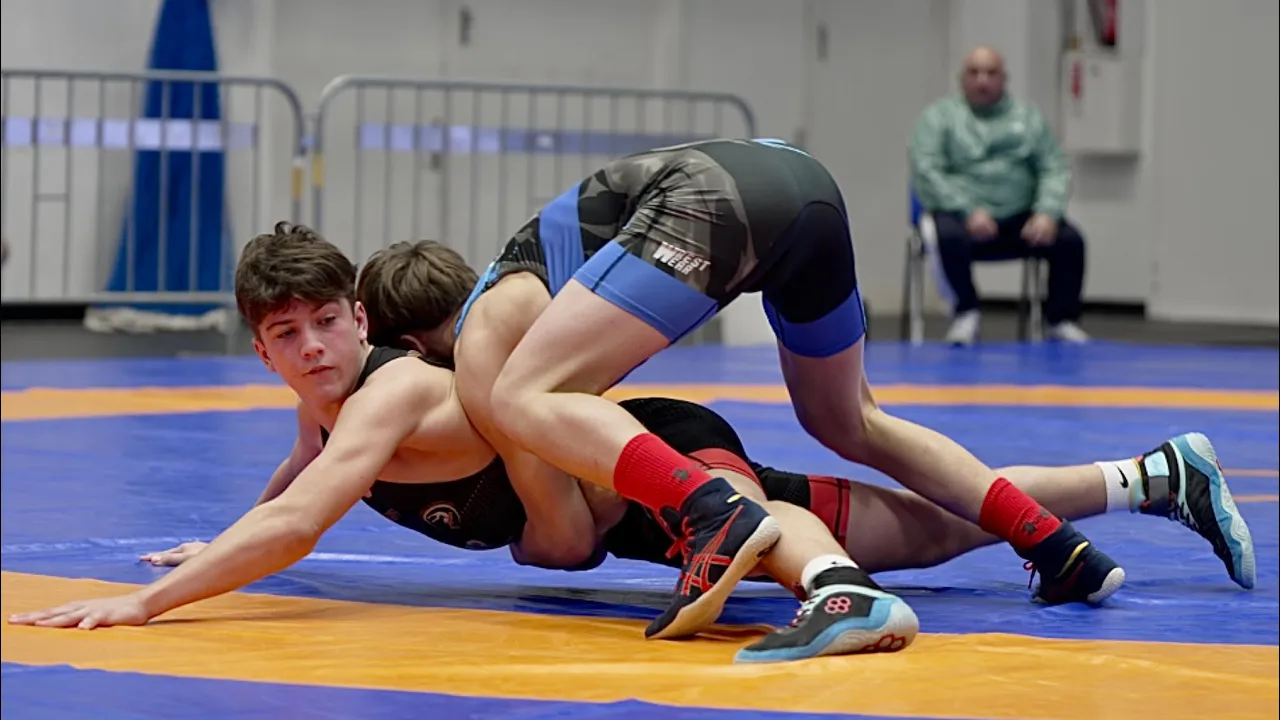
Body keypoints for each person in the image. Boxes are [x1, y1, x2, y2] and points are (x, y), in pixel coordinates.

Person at [3, 223, 916, 663]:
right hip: (628, 516)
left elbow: (300, 524)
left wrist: (149, 602)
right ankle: (1054, 526)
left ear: (364, 320)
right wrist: (223, 541)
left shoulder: (390, 392)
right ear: (260, 348)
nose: (313, 348)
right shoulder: (327, 399)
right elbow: (291, 486)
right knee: (931, 529)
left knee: (780, 522)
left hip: (653, 464)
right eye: (288, 335)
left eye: (327, 323)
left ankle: (846, 596)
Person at [407, 138, 1129, 639]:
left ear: (414, 348)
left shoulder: (482, 332)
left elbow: (565, 543)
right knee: (850, 420)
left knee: (522, 398)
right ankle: (1057, 547)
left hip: (712, 200)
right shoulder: (530, 275)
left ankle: (712, 510)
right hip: (805, 189)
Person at [910, 45, 1090, 346]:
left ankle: (1060, 319)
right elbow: (927, 171)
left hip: (1020, 216)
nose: (983, 80)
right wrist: (967, 210)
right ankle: (965, 313)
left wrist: (1047, 211)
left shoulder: (1028, 118)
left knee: (1070, 240)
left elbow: (1054, 167)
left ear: (1004, 79)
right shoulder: (938, 119)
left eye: (991, 73)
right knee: (945, 235)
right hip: (961, 217)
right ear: (962, 79)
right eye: (975, 72)